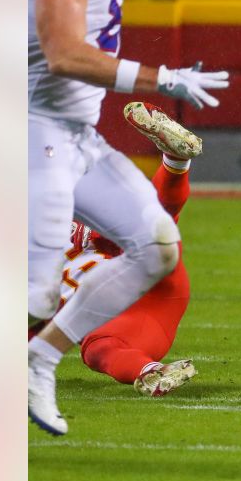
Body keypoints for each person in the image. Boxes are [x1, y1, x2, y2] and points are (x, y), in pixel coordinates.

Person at [26, 0, 230, 436]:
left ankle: (41, 361)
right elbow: (63, 52)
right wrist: (161, 76)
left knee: (157, 245)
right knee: (32, 292)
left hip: (71, 135)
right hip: (33, 134)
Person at [32, 102, 204, 396]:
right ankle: (152, 373)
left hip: (143, 289)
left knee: (140, 232)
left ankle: (176, 161)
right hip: (138, 309)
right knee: (98, 344)